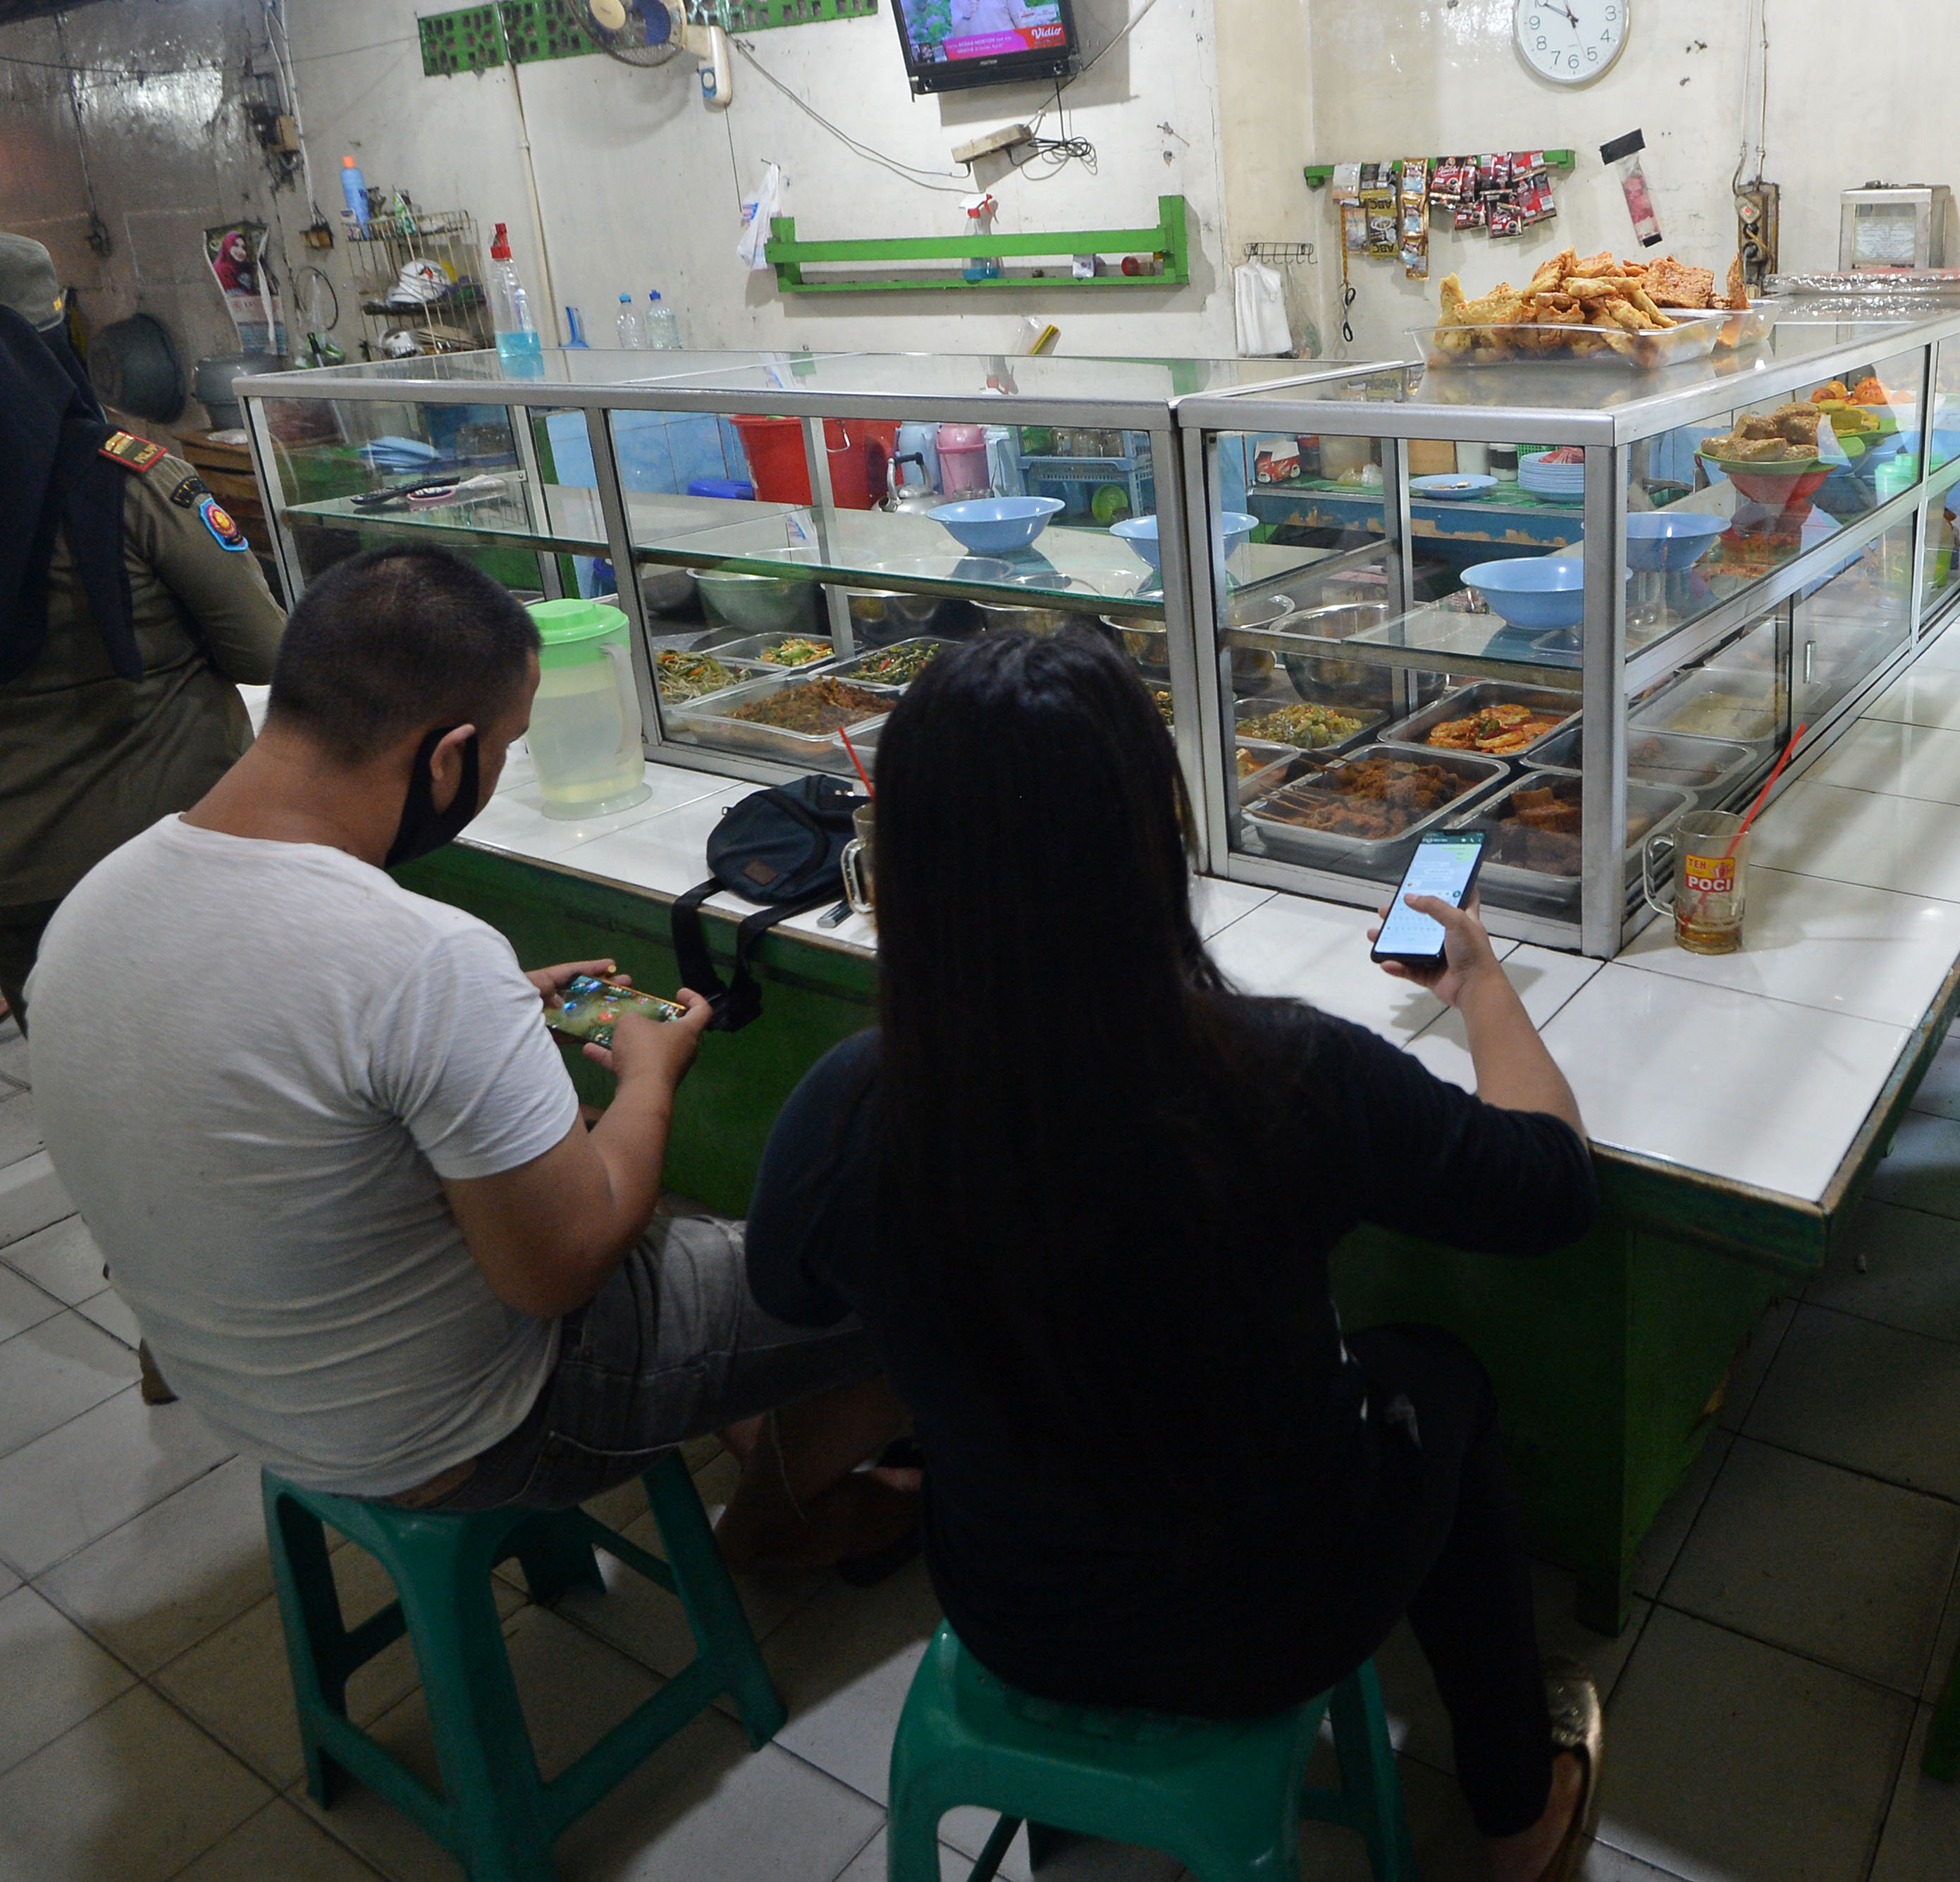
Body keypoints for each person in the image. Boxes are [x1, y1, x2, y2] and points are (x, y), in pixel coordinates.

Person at [746, 628, 1608, 1882]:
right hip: (1275, 1618)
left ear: (909, 858)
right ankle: (1516, 1809)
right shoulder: (1283, 1073)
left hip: (1016, 1613)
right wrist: (1476, 980)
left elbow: (789, 1290)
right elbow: (1551, 1189)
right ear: (1160, 833)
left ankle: (1089, 1833)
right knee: (1444, 1380)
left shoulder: (849, 1109)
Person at [25, 545, 916, 1573]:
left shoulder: (99, 901)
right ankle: (777, 1526)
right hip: (473, 1429)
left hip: (255, 1402)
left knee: (641, 1207)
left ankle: (764, 1418)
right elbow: (563, 1267)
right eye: (507, 748)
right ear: (446, 756)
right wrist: (650, 1074)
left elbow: (283, 1055)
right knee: (901, 1258)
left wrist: (484, 1021)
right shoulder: (421, 959)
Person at [0, 231, 286, 1035]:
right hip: (163, 856)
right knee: (224, 1065)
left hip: (16, 884)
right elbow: (264, 651)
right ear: (55, 338)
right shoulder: (122, 478)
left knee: (88, 1076)